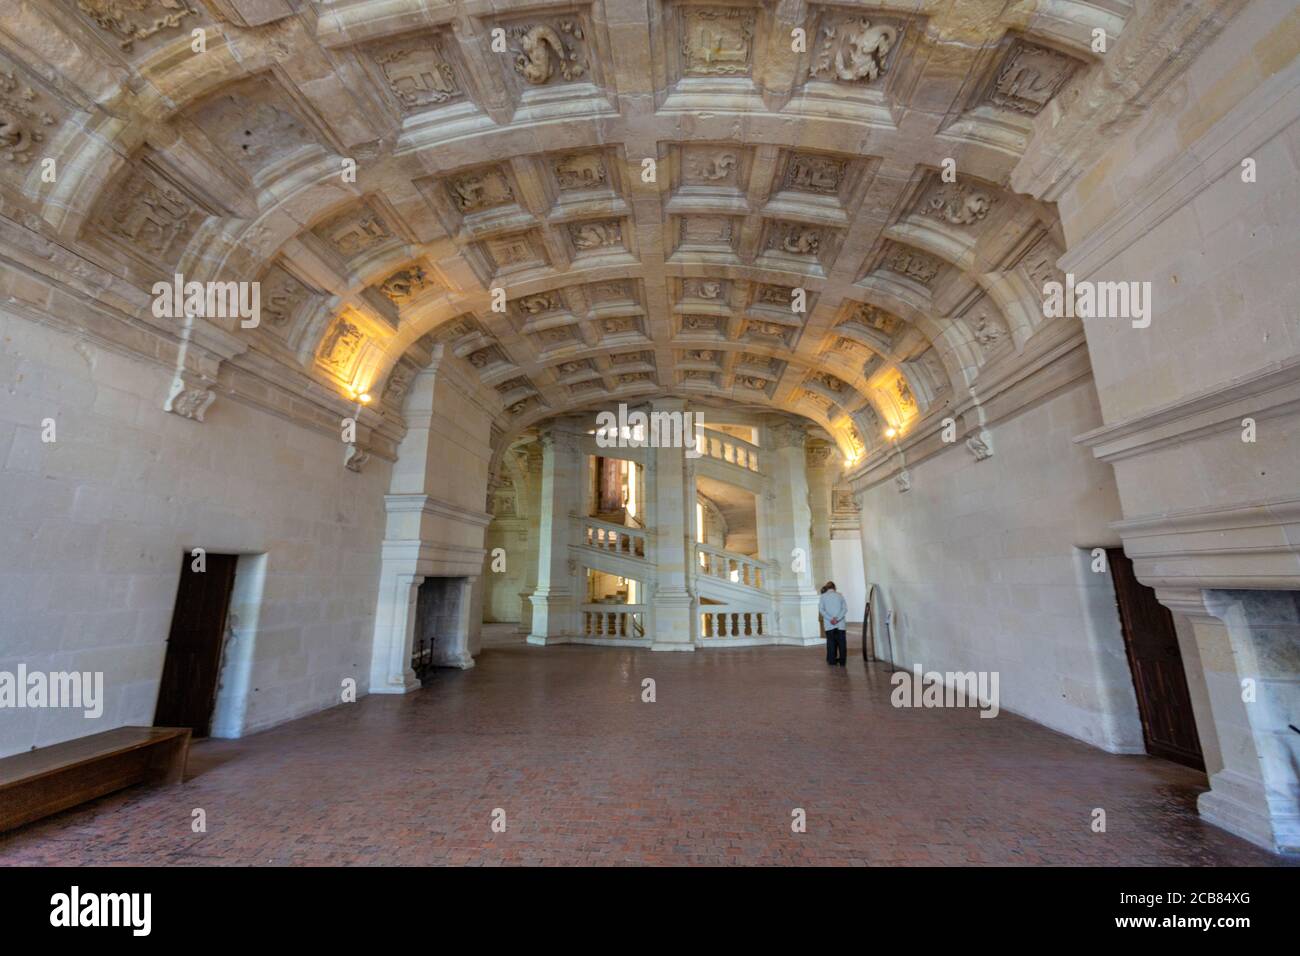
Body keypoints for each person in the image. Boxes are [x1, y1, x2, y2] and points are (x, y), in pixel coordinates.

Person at [819, 582, 848, 667]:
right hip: (840, 624)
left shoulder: (823, 597)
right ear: (834, 587)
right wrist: (837, 618)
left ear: (827, 588)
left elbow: (821, 610)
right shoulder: (840, 595)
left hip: (829, 624)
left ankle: (832, 661)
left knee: (831, 643)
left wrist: (830, 618)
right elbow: (845, 609)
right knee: (842, 644)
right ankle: (842, 661)